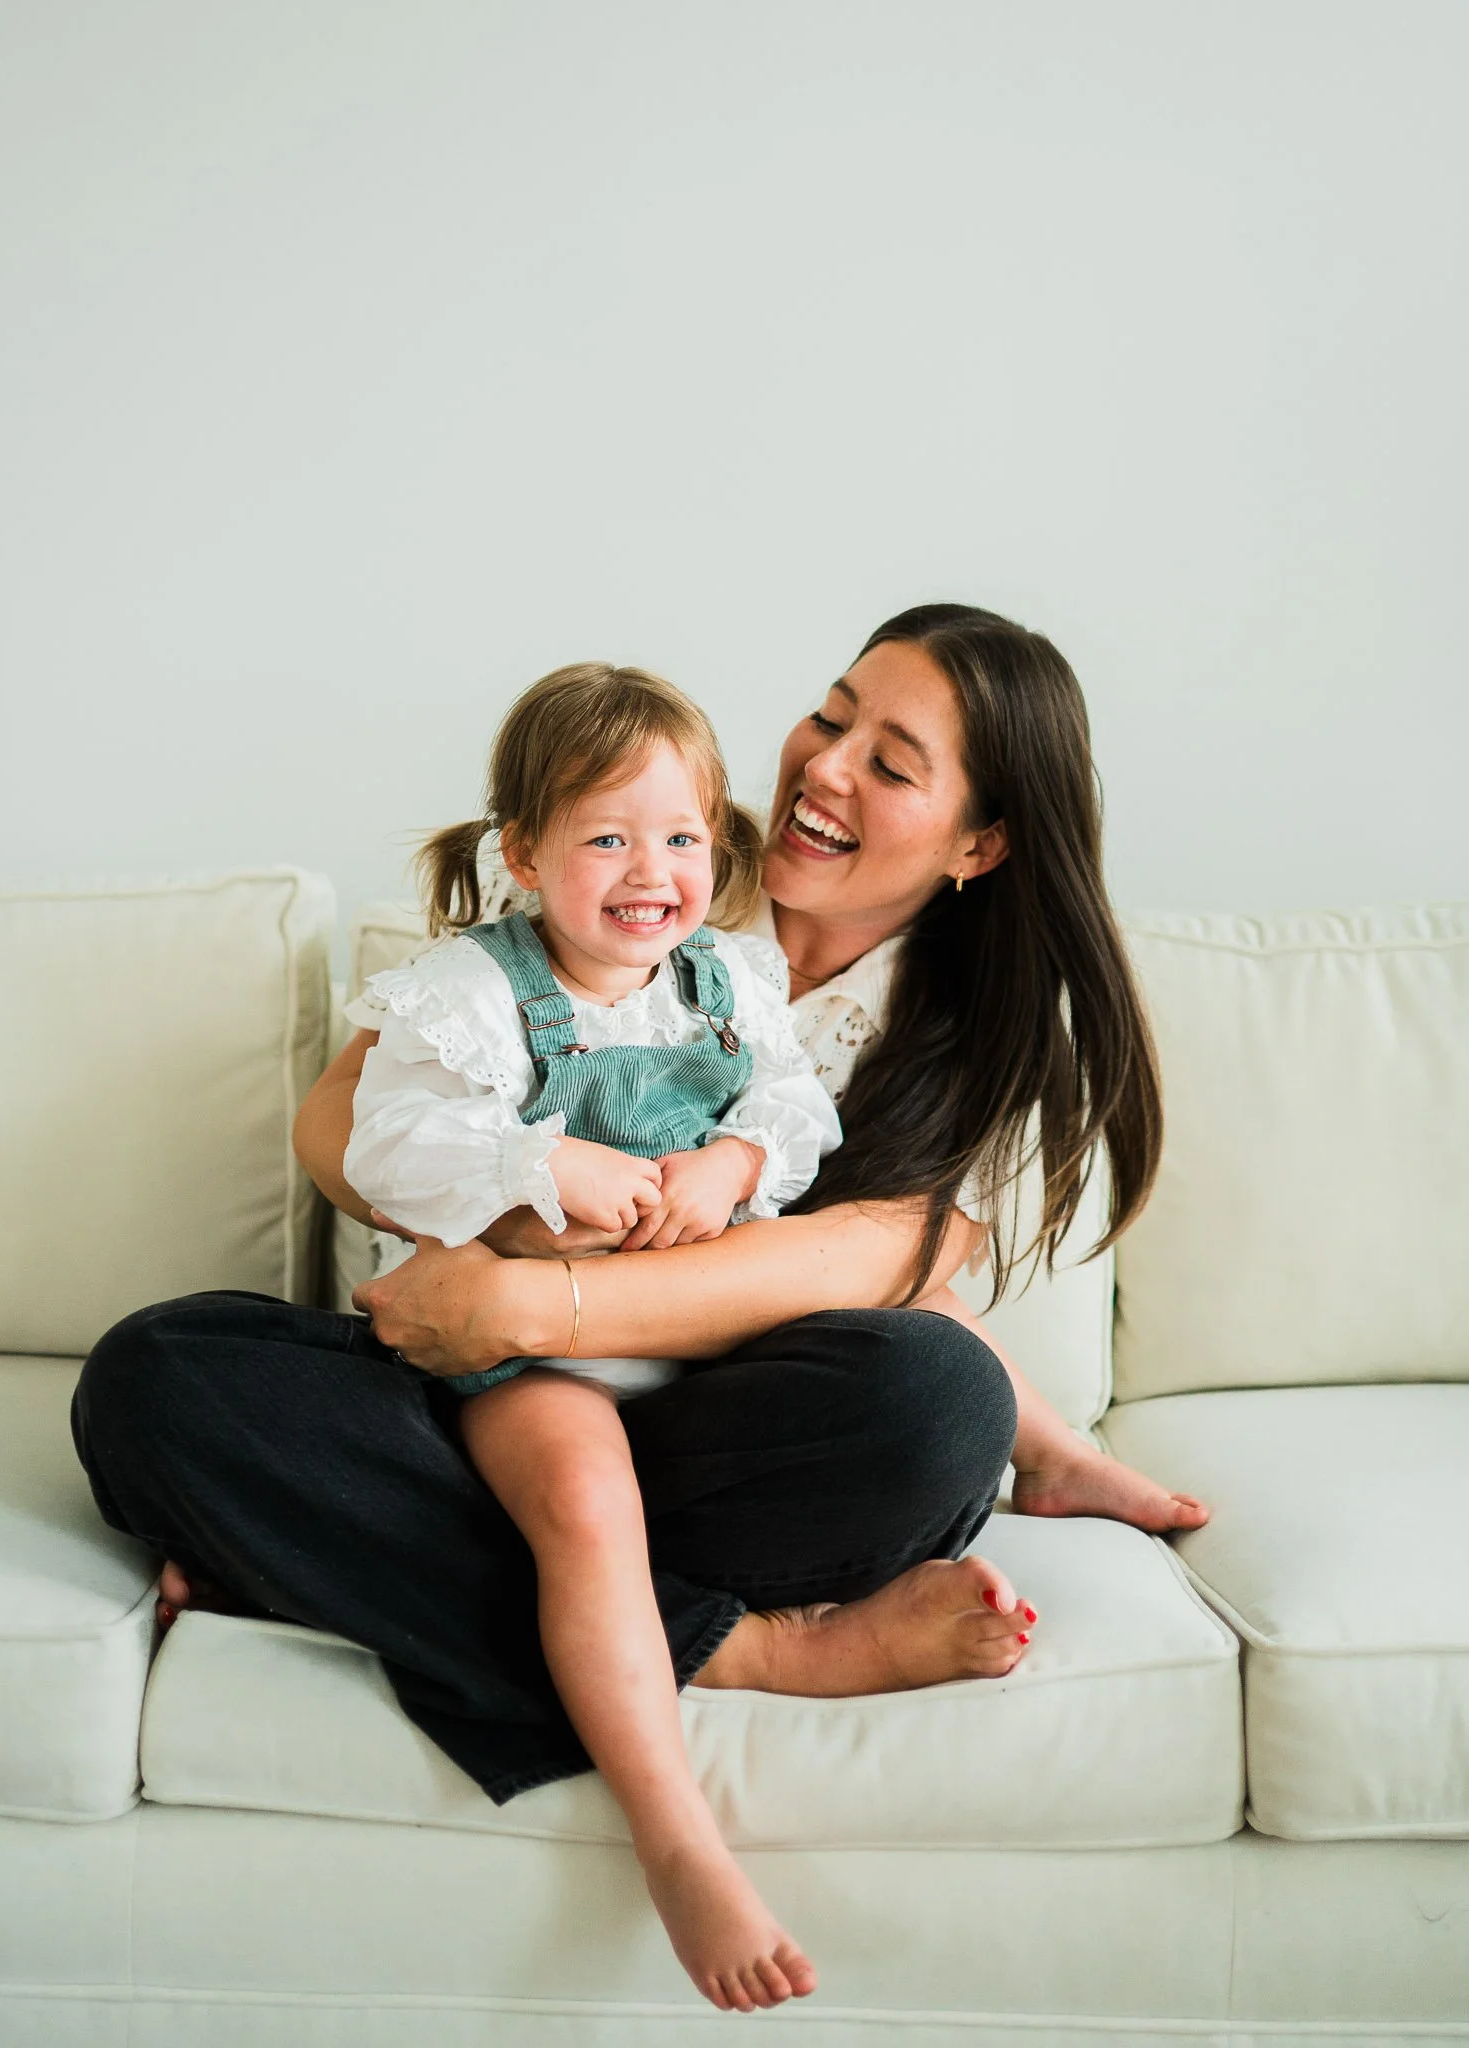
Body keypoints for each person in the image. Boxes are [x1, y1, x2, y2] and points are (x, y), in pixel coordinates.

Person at [73, 602, 1205, 2018]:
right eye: (833, 711)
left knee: (936, 1400)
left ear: (979, 843)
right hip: (472, 1402)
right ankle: (747, 1645)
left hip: (696, 1421)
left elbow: (864, 1261)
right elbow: (337, 1127)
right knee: (157, 1375)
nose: (825, 765)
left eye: (893, 759)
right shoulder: (634, 842)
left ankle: (335, 1564)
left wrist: (534, 1301)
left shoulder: (964, 1027)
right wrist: (514, 1200)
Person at [341, 661, 908, 2005]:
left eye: (678, 834)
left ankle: (1051, 1455)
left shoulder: (726, 979)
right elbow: (386, 1143)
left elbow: (789, 1116)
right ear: (525, 856)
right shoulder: (469, 989)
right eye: (605, 836)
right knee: (584, 1502)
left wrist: (727, 1163)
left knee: (921, 1355)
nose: (648, 869)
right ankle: (676, 1841)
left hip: (689, 1349)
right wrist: (543, 1165)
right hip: (522, 1354)